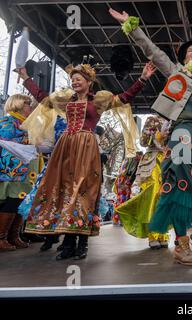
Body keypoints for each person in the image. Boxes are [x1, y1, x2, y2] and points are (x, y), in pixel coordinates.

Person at [110, 8, 192, 266]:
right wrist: (131, 26)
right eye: (190, 50)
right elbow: (153, 52)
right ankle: (181, 245)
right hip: (184, 133)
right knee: (182, 186)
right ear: (184, 57)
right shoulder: (178, 73)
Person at [16, 61, 155, 260]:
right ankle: (68, 242)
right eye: (72, 79)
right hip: (65, 147)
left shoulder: (98, 101)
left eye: (78, 79)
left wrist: (142, 79)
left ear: (89, 82)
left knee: (83, 191)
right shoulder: (66, 100)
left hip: (86, 146)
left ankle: (82, 243)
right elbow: (42, 98)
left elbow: (124, 97)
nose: (75, 82)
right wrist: (26, 78)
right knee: (64, 190)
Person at [115, 115, 171, 249]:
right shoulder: (152, 119)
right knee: (151, 197)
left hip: (168, 161)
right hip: (152, 162)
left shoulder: (175, 121)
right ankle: (153, 234)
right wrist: (158, 135)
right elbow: (143, 142)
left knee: (165, 198)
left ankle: (162, 234)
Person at [18, 115, 67, 252]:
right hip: (54, 166)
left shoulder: (81, 119)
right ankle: (49, 236)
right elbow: (47, 145)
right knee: (49, 201)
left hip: (70, 167)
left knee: (67, 201)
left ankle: (66, 238)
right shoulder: (53, 120)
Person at [0, 94, 38, 251]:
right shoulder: (8, 121)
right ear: (19, 105)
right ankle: (1, 237)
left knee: (21, 202)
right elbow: (5, 141)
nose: (30, 108)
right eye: (28, 104)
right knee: (12, 201)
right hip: (13, 171)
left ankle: (13, 236)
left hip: (26, 170)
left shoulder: (27, 123)